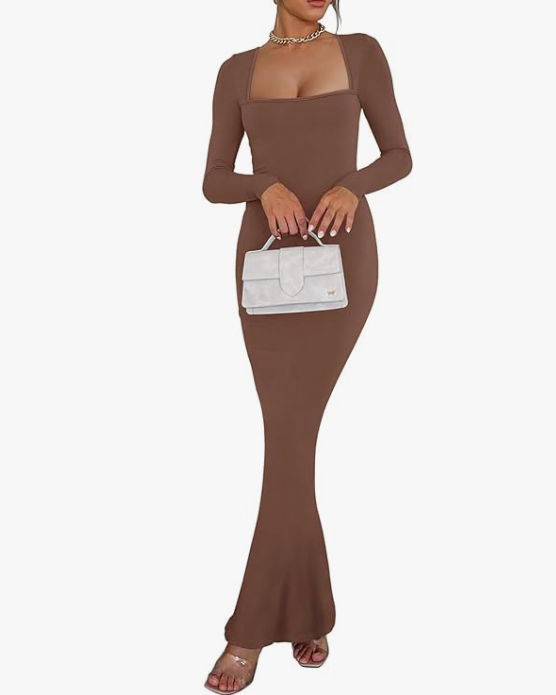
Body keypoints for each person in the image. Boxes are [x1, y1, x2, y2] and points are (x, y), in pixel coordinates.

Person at [202, 0, 412, 691]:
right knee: (290, 443)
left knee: (289, 441)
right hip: (265, 267)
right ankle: (307, 610)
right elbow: (213, 180)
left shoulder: (361, 53)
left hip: (343, 262)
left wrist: (352, 185)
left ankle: (248, 632)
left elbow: (400, 155)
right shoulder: (236, 71)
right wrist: (263, 184)